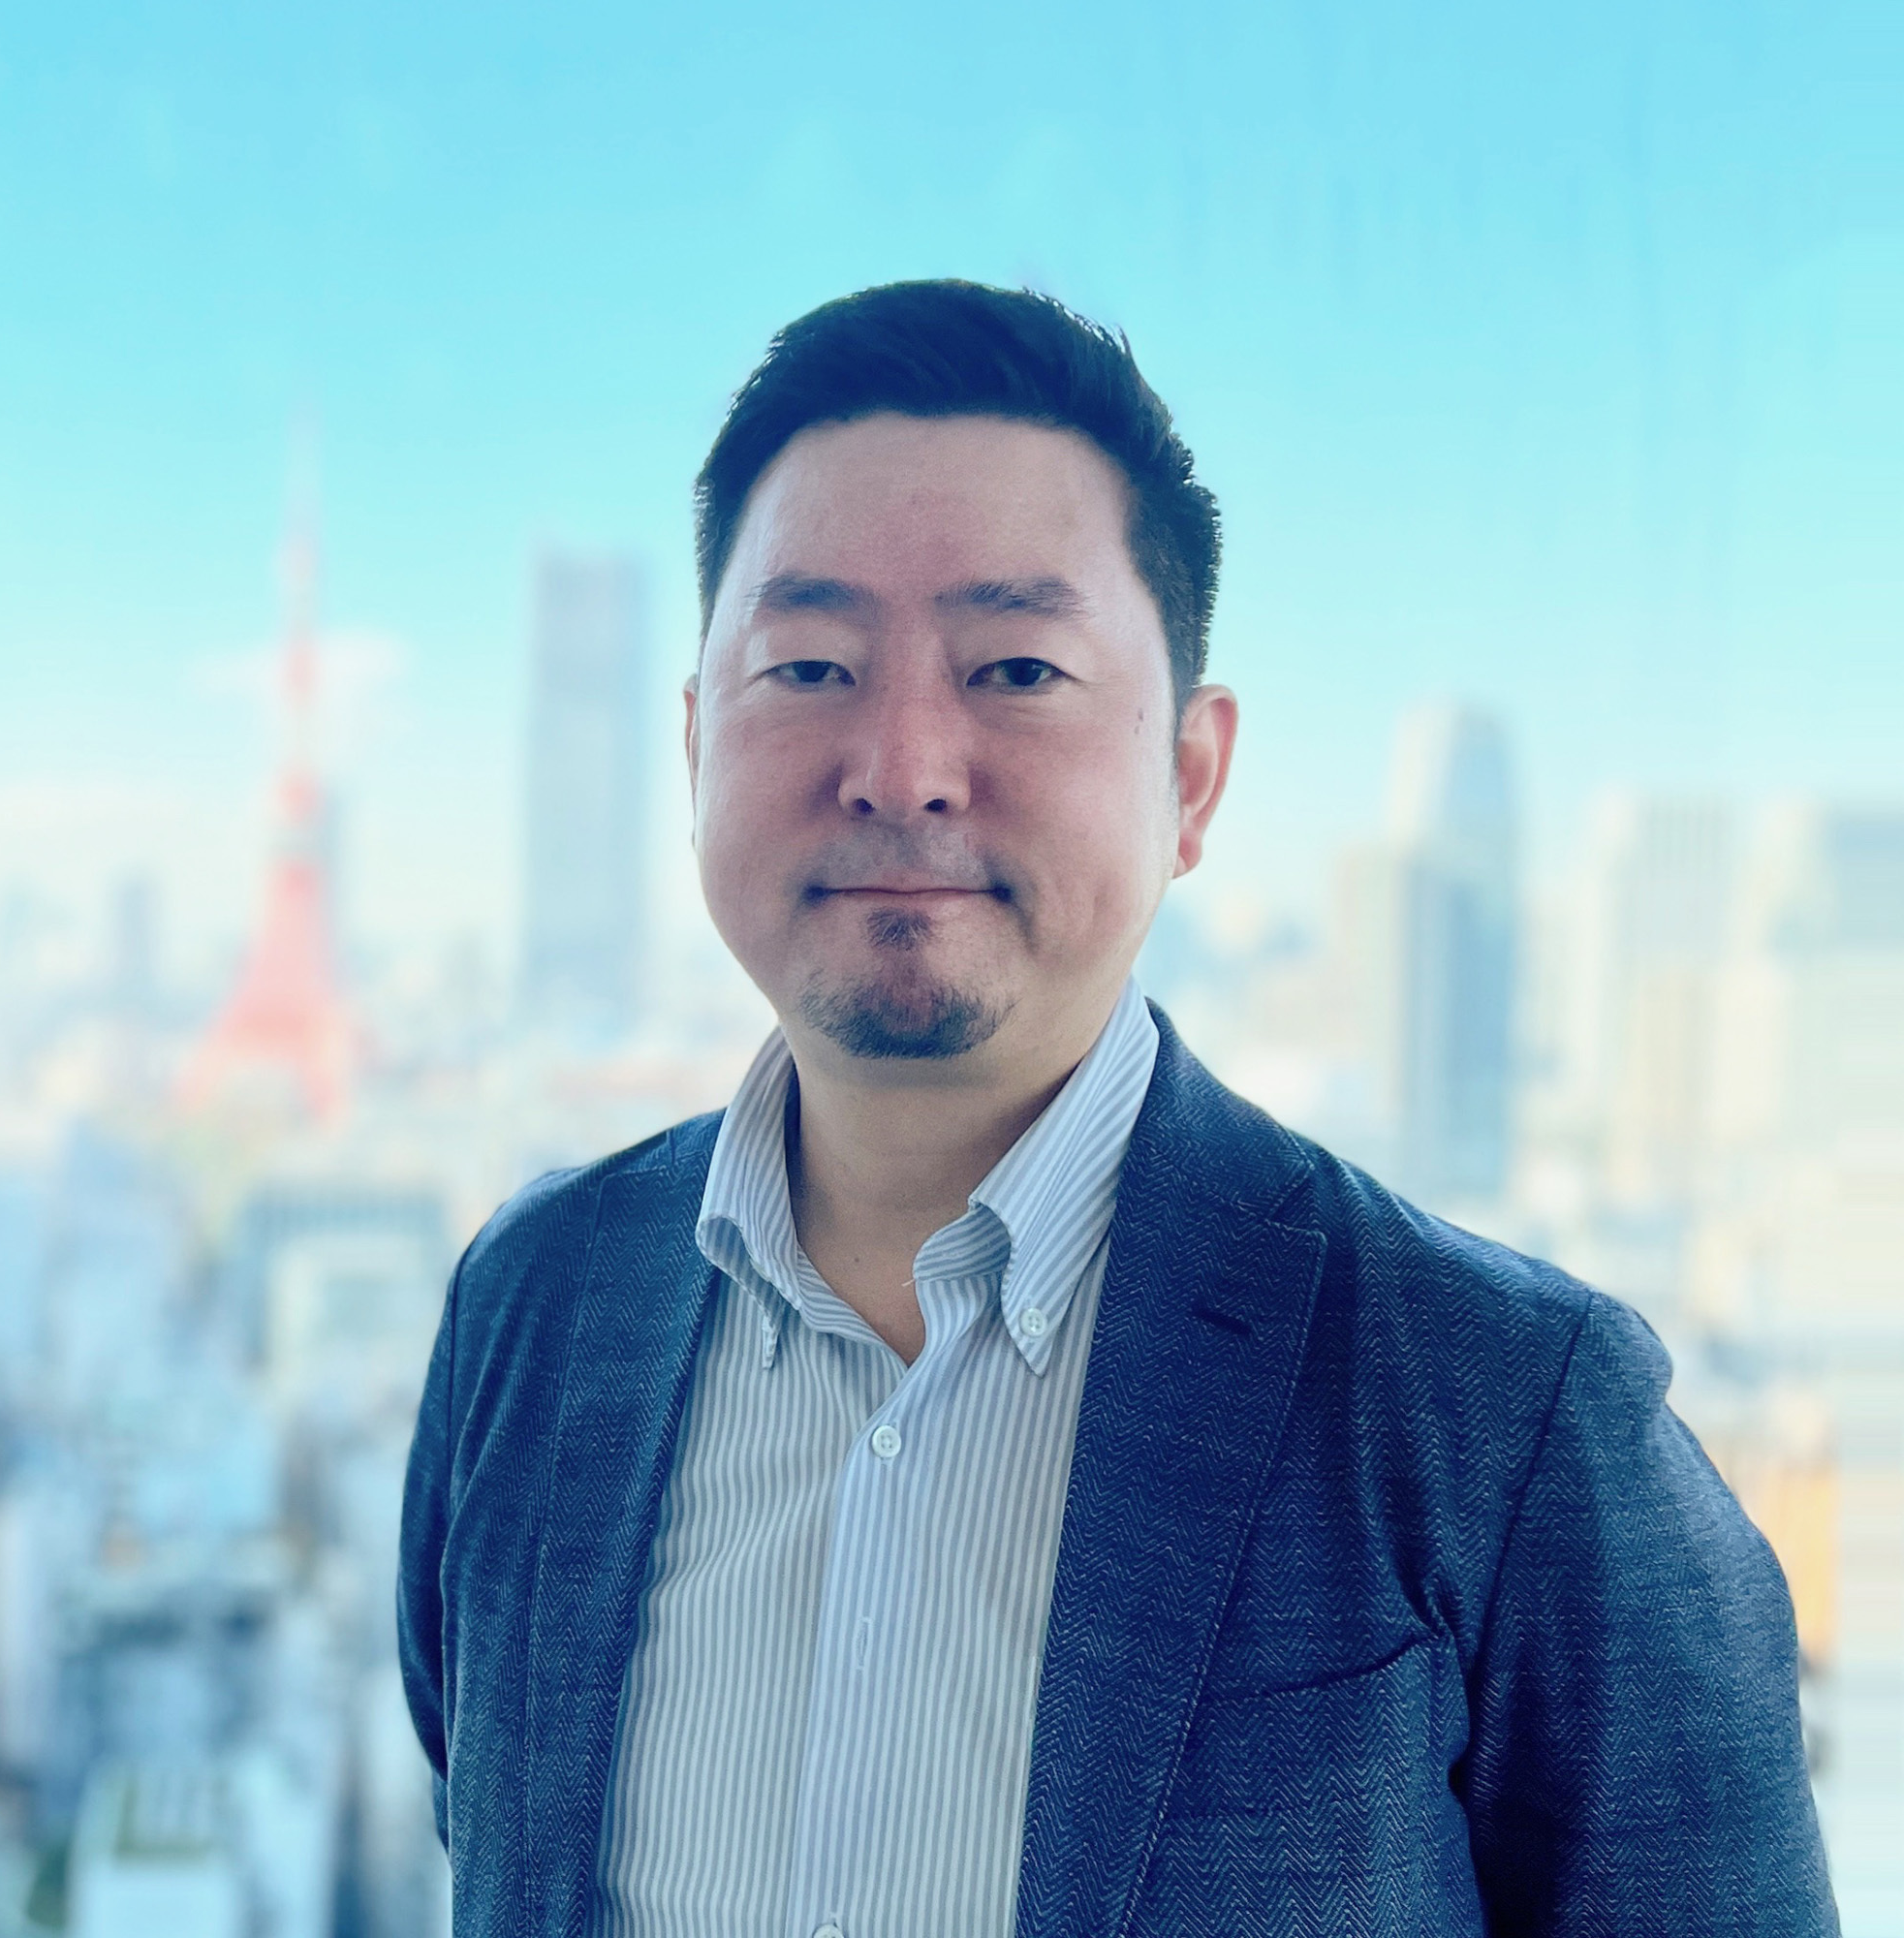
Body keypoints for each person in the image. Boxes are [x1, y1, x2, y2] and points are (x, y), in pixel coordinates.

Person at [397, 281, 1836, 1937]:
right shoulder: (534, 1307)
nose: (903, 766)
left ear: (1191, 779)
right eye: (809, 665)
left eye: (1017, 666)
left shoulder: (1506, 1410)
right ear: (695, 745)